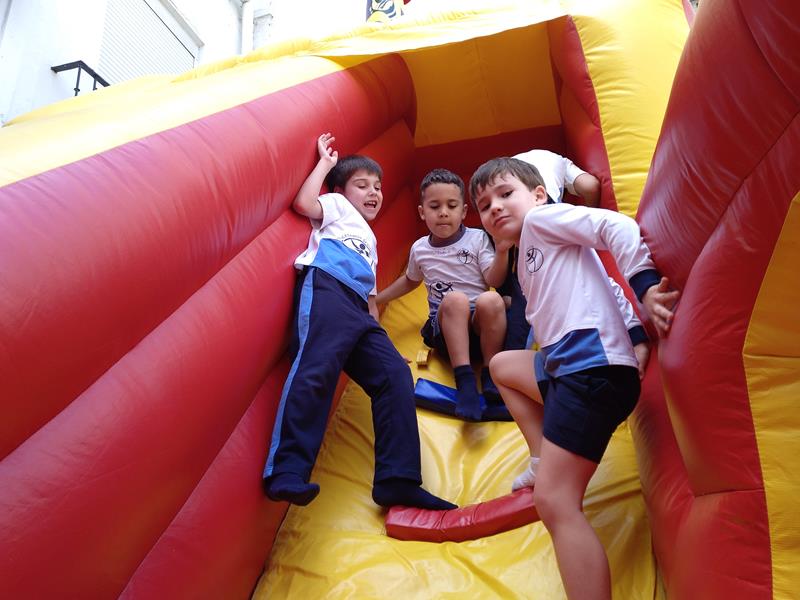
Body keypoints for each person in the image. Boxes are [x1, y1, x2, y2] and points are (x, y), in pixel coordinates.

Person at [469, 157, 678, 600]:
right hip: (571, 367)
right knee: (503, 366)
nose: (495, 208)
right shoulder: (528, 256)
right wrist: (636, 336)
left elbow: (615, 226)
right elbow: (605, 285)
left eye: (506, 194)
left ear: (538, 196)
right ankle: (541, 457)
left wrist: (645, 287)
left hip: (591, 372)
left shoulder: (543, 221)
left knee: (555, 501)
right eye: (485, 206)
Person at [262, 133, 456, 511]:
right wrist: (325, 164)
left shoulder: (370, 237)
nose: (374, 193)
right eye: (362, 185)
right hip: (328, 287)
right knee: (317, 368)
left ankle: (398, 480)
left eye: (378, 187)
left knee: (394, 375)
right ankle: (287, 471)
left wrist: (380, 339)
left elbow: (370, 296)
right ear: (341, 191)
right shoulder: (337, 206)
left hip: (357, 307)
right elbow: (304, 203)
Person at [376, 168, 510, 421]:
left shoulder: (477, 238)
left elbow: (494, 280)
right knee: (456, 299)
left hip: (480, 331)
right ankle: (465, 381)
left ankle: (491, 375)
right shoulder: (420, 248)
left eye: (452, 205)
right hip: (447, 333)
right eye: (435, 206)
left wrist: (501, 252)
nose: (443, 212)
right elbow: (410, 280)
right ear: (422, 212)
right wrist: (378, 298)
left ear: (464, 211)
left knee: (492, 299)